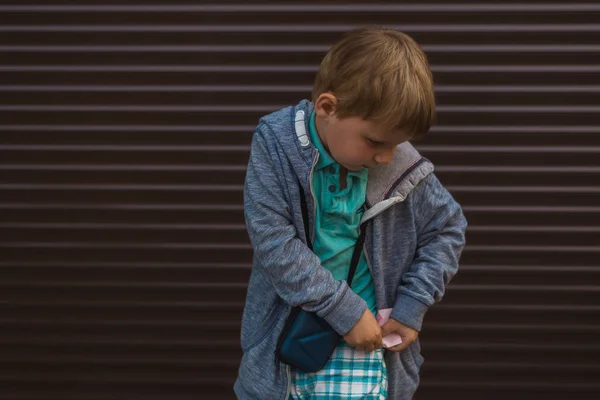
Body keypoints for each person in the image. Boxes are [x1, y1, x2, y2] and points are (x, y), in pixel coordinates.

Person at [234, 26, 467, 399]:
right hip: (286, 351)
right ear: (328, 108)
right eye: (375, 142)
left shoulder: (399, 161)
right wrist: (344, 310)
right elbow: (274, 242)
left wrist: (411, 306)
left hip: (368, 346)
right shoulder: (276, 145)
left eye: (398, 143)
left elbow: (448, 229)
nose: (386, 157)